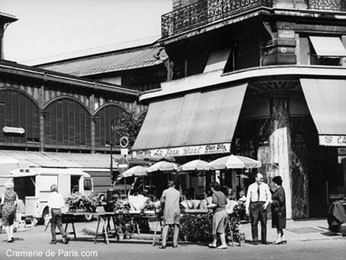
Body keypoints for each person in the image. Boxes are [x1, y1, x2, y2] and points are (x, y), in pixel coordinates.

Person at [245, 173, 272, 245]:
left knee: (264, 222)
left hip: (262, 204)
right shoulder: (251, 186)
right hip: (254, 204)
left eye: (262, 178)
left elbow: (269, 196)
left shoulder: (265, 186)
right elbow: (248, 198)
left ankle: (264, 239)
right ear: (256, 178)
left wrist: (266, 204)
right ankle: (255, 239)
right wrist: (246, 209)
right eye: (260, 178)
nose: (261, 180)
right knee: (254, 223)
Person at [159, 180, 181, 249]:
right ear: (174, 185)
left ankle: (163, 243)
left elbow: (162, 201)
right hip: (177, 209)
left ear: (168, 185)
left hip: (168, 209)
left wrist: (161, 209)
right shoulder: (178, 192)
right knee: (176, 225)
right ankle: (175, 243)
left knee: (166, 225)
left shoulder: (165, 192)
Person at [208, 181, 228, 249]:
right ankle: (223, 243)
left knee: (215, 228)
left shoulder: (214, 194)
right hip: (224, 212)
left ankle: (214, 242)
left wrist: (208, 206)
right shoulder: (222, 193)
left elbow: (215, 204)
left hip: (218, 212)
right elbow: (226, 202)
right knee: (221, 229)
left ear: (213, 187)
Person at [271, 176, 287, 244]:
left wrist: (272, 202)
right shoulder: (279, 190)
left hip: (279, 211)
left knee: (279, 225)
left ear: (275, 183)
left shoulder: (280, 190)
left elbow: (281, 201)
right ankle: (283, 238)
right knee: (278, 224)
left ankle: (278, 239)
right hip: (278, 210)